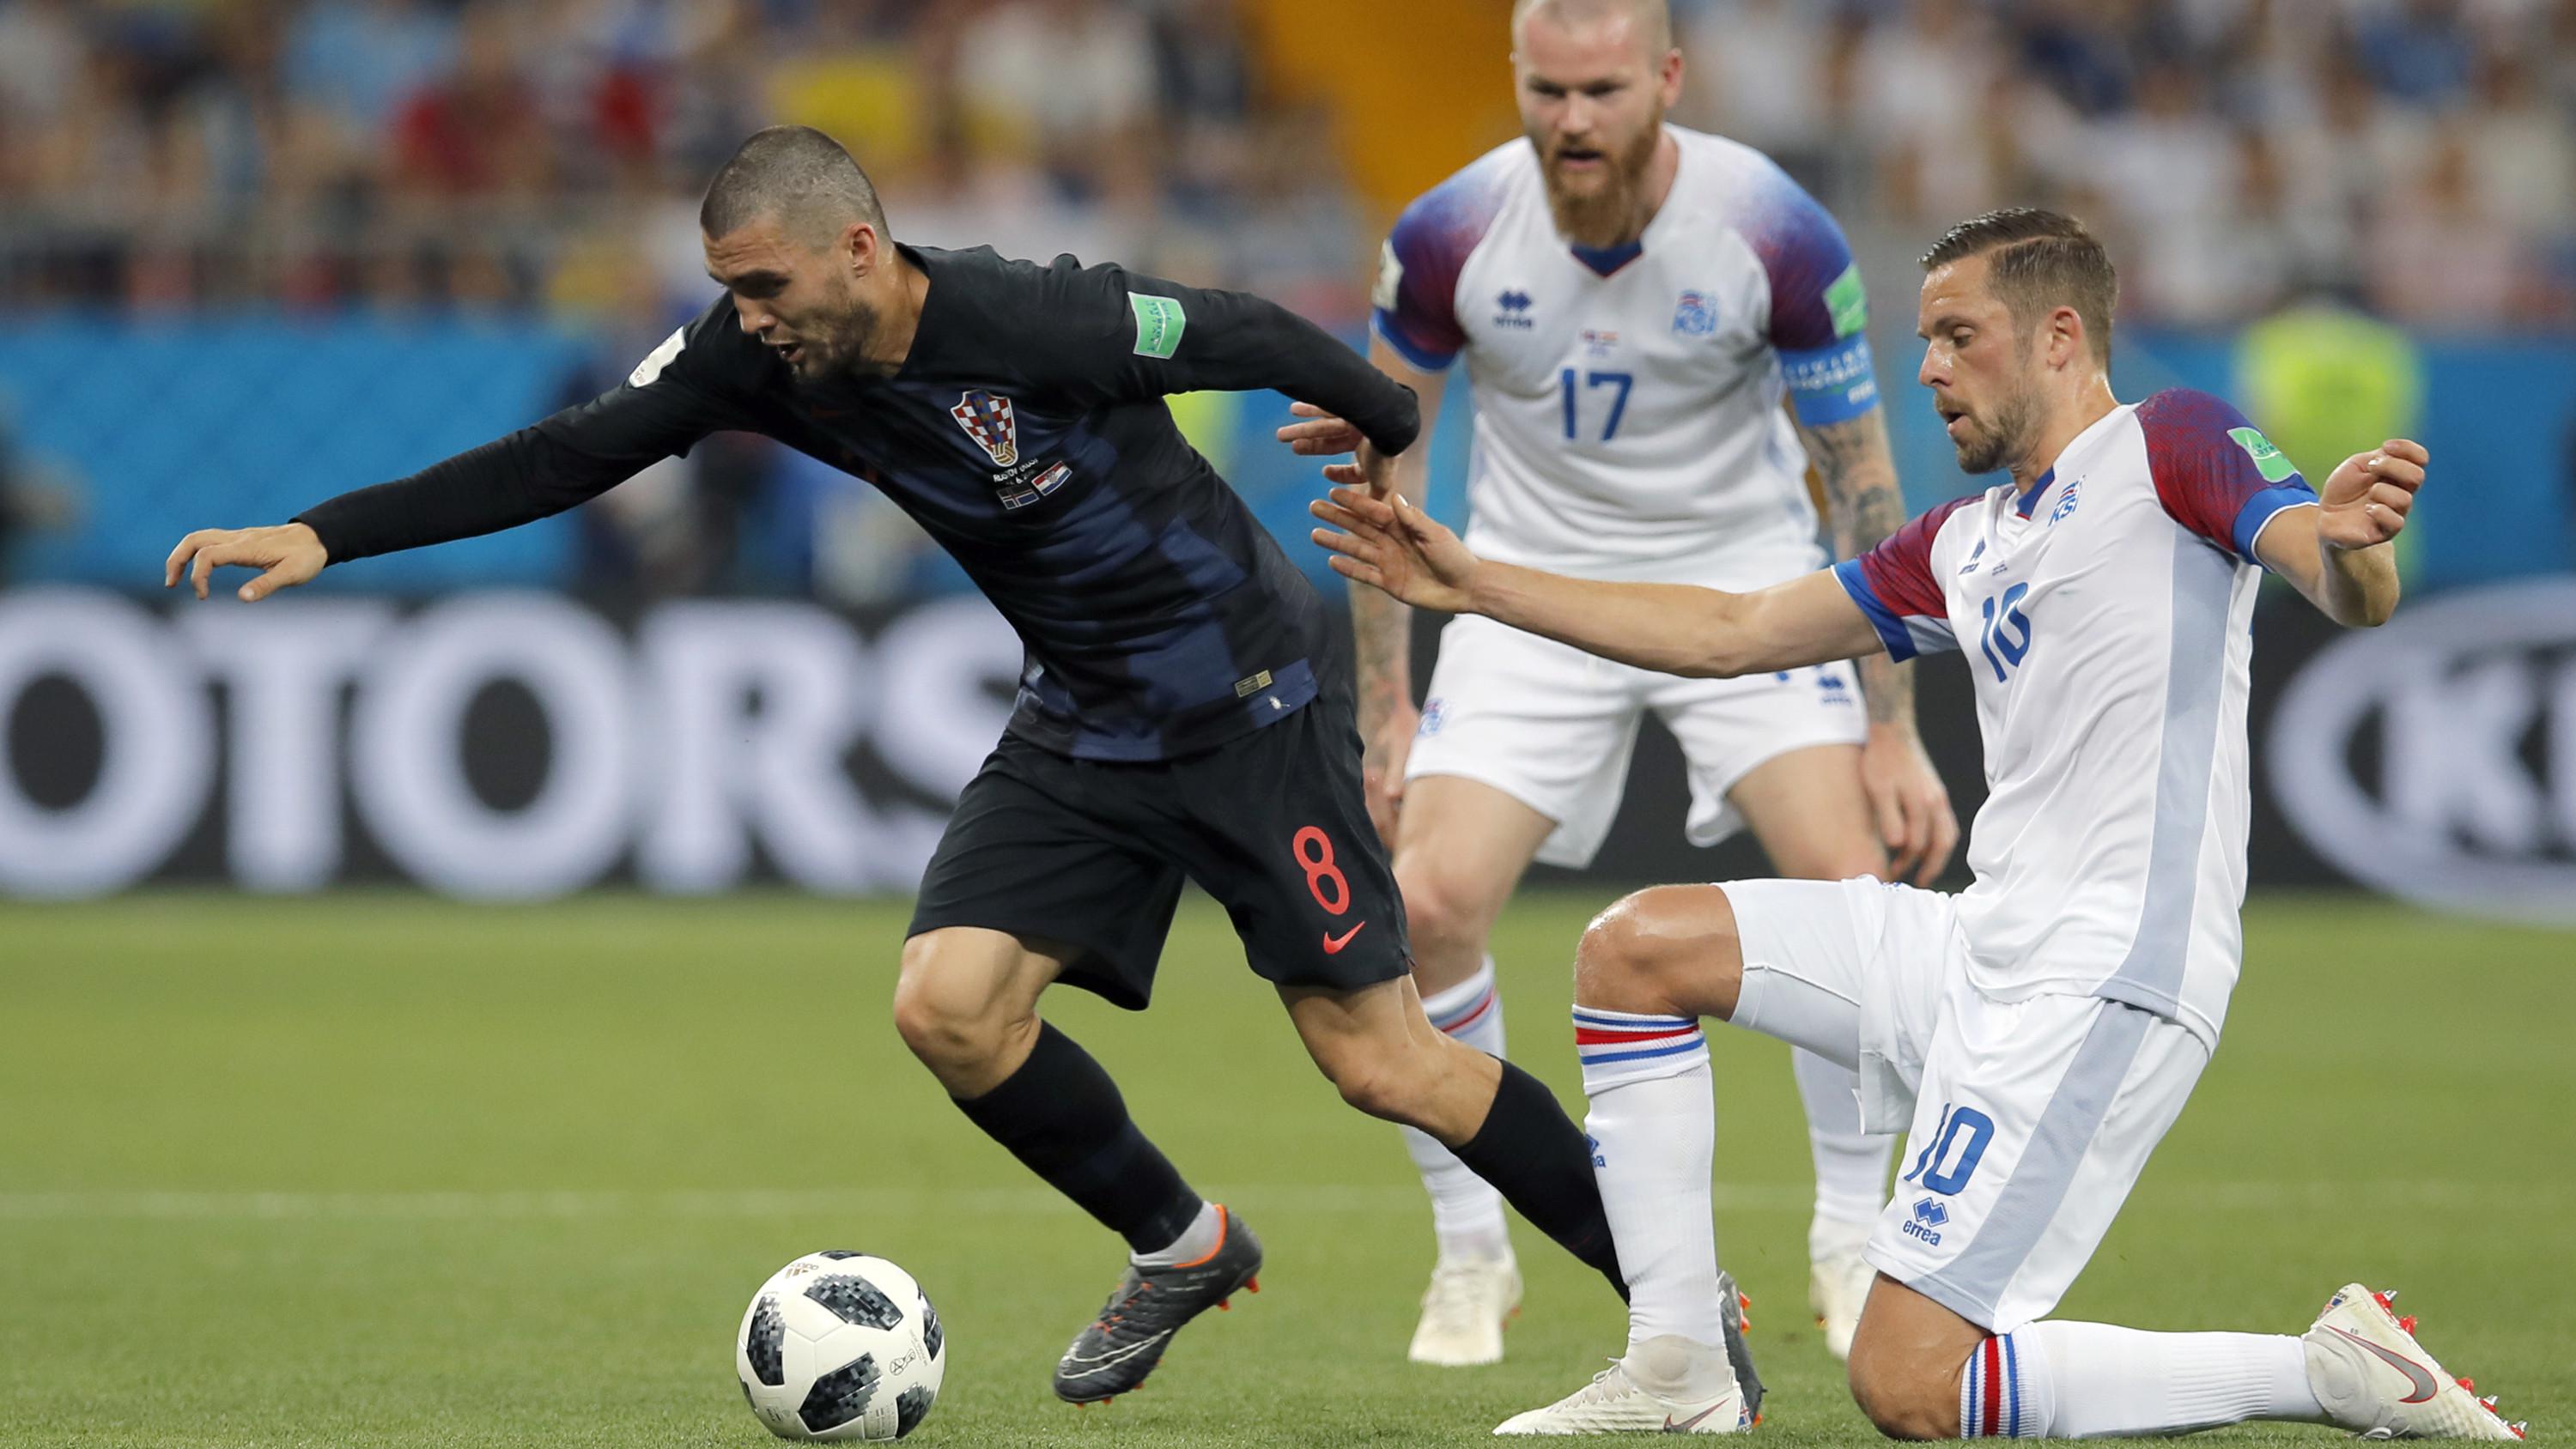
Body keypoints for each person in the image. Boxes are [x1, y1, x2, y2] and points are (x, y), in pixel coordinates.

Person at [161, 124, 1685, 1410]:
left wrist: (1386, 423)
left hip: (1247, 701)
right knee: (946, 1008)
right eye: (726, 292)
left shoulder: (1038, 319)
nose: (744, 316)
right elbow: (567, 453)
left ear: (860, 249)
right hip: (1083, 719)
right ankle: (1181, 1244)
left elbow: (1240, 330)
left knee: (1383, 1066)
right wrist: (328, 530)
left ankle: (1679, 1310)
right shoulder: (751, 362)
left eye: (763, 284)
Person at [1309, 207, 2524, 1441]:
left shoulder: (2173, 444)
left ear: (2059, 338)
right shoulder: (1965, 541)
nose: (1930, 366)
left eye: (1958, 335)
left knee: (1910, 1384)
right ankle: (1679, 1366)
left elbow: (2331, 570)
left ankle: (2327, 1372)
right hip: (1984, 943)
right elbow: (1728, 634)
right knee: (1637, 951)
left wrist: (2362, 544)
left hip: (2107, 972)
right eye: (1925, 338)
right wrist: (1473, 586)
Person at [1277, 0, 1956, 1367]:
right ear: (1516, 80)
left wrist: (1897, 732)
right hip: (1525, 594)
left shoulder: (1774, 229)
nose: (1572, 120)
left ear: (1668, 79)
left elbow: (1863, 483)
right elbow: (1381, 477)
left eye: (1601, 89)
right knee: (1426, 903)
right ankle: (1472, 1255)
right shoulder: (1446, 236)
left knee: (1854, 894)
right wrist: (1389, 703)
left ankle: (1846, 1233)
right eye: (1548, 90)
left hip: (1743, 586)